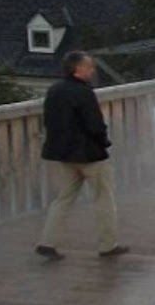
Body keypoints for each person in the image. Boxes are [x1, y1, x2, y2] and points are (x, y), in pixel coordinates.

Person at [35, 51, 126, 261]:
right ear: (78, 69)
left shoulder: (54, 90)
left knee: (63, 199)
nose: (92, 70)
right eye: (89, 67)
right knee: (104, 198)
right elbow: (94, 124)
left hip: (63, 155)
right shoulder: (83, 92)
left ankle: (47, 242)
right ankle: (108, 245)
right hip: (89, 155)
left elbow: (50, 122)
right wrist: (104, 143)